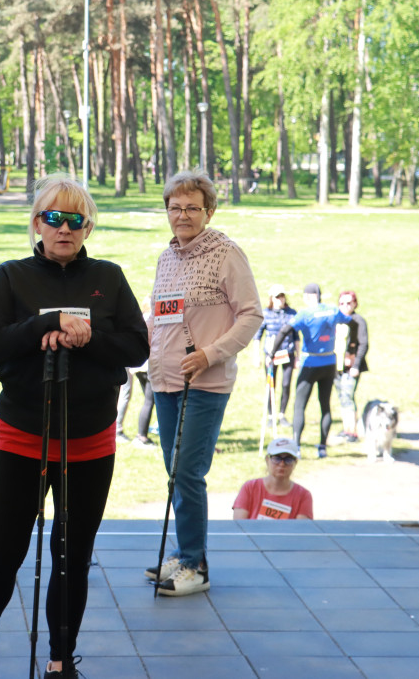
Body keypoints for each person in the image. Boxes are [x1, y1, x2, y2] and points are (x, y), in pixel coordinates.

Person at [0, 176, 147, 679]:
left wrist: (86, 334)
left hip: (89, 439)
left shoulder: (110, 276)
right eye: (53, 218)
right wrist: (47, 323)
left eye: (75, 220)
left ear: (88, 228)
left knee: (71, 556)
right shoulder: (12, 275)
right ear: (37, 223)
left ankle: (61, 659)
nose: (64, 228)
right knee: (4, 552)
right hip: (22, 434)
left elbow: (136, 347)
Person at [145, 170, 262, 597]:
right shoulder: (167, 257)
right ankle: (184, 551)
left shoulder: (226, 253)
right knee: (173, 473)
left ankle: (195, 565)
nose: (183, 215)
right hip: (164, 381)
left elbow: (252, 315)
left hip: (205, 382)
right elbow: (159, 315)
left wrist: (211, 354)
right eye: (175, 208)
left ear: (208, 211)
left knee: (188, 472)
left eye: (192, 208)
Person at [270, 283, 352, 458]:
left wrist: (272, 353)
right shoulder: (332, 310)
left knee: (300, 406)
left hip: (310, 363)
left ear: (308, 296)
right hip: (329, 362)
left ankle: (297, 447)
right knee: (325, 405)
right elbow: (351, 320)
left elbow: (285, 330)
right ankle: (322, 447)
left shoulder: (305, 314)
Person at [232, 437, 313, 520]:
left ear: (295, 462)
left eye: (288, 459)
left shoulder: (303, 495)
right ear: (267, 460)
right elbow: (239, 526)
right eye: (277, 458)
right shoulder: (249, 487)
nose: (282, 464)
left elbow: (301, 530)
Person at [255, 284, 298, 426]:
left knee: (286, 384)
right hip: (270, 356)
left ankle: (282, 414)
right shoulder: (265, 314)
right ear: (272, 298)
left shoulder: (292, 314)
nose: (280, 299)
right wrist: (256, 356)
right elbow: (258, 336)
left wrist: (297, 357)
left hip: (288, 353)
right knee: (270, 385)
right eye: (277, 297)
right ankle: (270, 415)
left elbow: (296, 336)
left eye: (282, 296)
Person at [115, 300, 156, 448]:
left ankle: (122, 429)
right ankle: (139, 435)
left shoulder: (142, 317)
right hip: (145, 364)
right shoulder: (150, 318)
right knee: (148, 400)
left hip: (137, 364)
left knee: (144, 398)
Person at [334, 290, 368, 442]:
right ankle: (346, 428)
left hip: (351, 366)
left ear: (355, 304)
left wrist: (356, 364)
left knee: (348, 396)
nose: (345, 306)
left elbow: (364, 344)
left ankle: (352, 431)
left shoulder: (358, 320)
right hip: (336, 366)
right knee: (342, 397)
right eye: (342, 303)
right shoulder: (336, 319)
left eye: (349, 303)